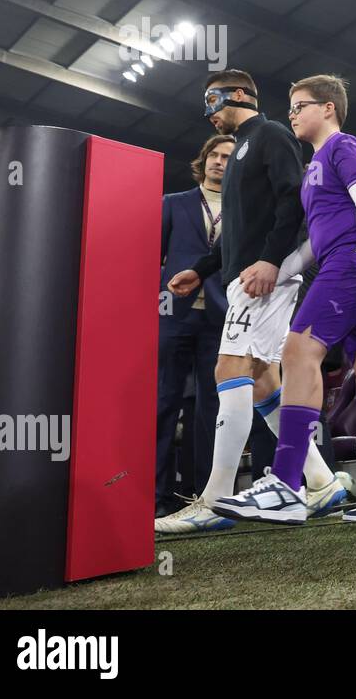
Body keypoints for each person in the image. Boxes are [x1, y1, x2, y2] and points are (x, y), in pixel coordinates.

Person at [212, 75, 356, 524]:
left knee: (296, 352)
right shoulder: (313, 168)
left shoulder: (343, 147)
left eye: (298, 106)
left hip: (351, 264)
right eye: (290, 108)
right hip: (341, 260)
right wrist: (279, 269)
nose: (291, 114)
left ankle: (288, 485)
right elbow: (316, 239)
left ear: (328, 108)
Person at [158, 71, 345, 534]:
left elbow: (291, 203)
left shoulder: (270, 134)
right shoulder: (242, 147)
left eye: (212, 100)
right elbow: (242, 227)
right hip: (249, 276)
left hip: (267, 277)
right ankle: (321, 481)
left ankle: (214, 498)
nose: (208, 111)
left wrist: (268, 260)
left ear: (239, 95)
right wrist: (201, 269)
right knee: (261, 380)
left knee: (229, 369)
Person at [156, 134, 233, 516]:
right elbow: (151, 258)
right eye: (214, 155)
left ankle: (208, 497)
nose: (220, 162)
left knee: (213, 406)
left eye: (228, 157)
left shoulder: (242, 209)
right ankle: (157, 497)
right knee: (163, 402)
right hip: (172, 313)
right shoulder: (173, 204)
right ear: (202, 161)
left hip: (221, 316)